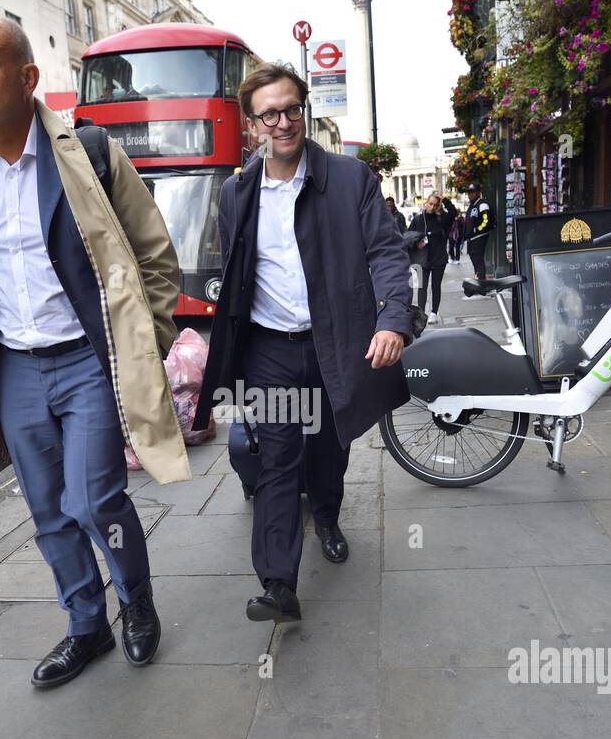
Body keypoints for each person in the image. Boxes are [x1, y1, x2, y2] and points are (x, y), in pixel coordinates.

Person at [0, 14, 189, 689]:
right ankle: (86, 624)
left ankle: (135, 601)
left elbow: (154, 254)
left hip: (88, 359)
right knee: (49, 511)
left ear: (28, 78)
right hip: (14, 368)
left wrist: (151, 343)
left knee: (96, 501)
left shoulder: (87, 152)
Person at [192, 62, 414, 624]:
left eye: (292, 109)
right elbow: (237, 267)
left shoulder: (350, 178)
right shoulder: (236, 191)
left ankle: (330, 516)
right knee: (277, 459)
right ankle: (277, 584)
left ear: (303, 111)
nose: (284, 122)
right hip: (269, 348)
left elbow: (386, 252)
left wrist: (392, 319)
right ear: (253, 125)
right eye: (270, 114)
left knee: (328, 446)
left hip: (334, 342)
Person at [407, 192, 458, 324]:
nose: (432, 207)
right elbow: (407, 236)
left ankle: (434, 312)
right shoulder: (418, 219)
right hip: (422, 259)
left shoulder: (441, 219)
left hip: (439, 258)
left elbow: (453, 213)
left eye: (435, 205)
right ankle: (421, 313)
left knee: (436, 286)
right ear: (425, 204)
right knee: (421, 287)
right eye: (430, 204)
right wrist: (416, 243)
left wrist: (444, 199)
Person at [464, 184, 492, 279]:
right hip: (472, 238)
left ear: (478, 193)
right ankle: (478, 279)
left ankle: (482, 282)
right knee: (475, 260)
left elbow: (486, 220)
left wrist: (477, 229)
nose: (470, 194)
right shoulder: (472, 205)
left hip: (479, 237)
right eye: (469, 192)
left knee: (478, 260)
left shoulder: (482, 204)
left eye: (473, 192)